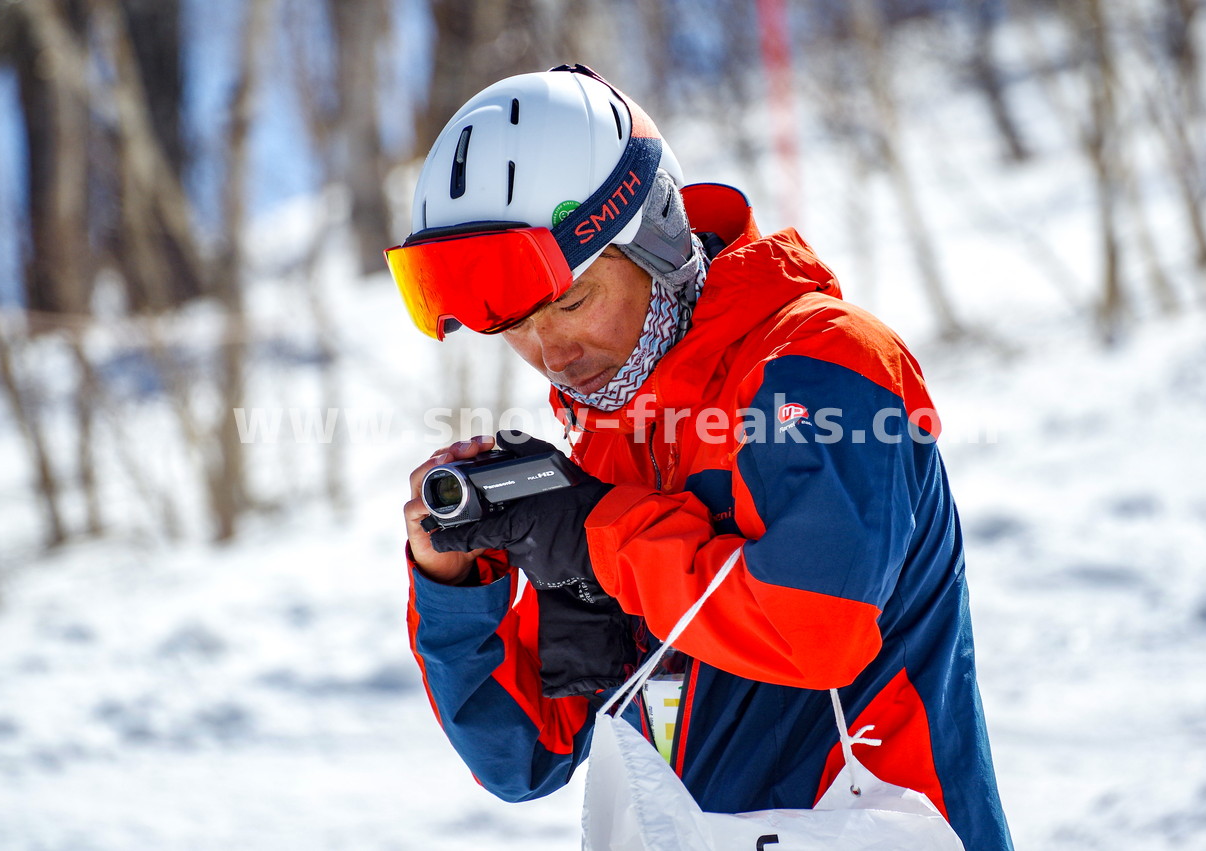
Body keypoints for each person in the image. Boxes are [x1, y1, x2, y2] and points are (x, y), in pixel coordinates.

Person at [389, 64, 1014, 849]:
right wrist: (458, 585)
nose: (549, 351)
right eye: (513, 325)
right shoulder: (611, 453)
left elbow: (811, 632)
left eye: (572, 302)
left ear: (649, 235)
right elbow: (524, 754)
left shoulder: (820, 366)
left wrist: (595, 534)